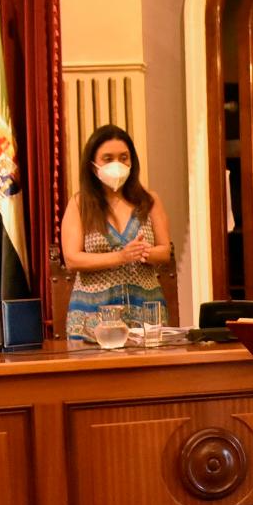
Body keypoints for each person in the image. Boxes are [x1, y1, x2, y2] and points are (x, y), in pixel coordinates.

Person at [61, 124, 171, 343]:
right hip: (92, 315)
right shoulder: (79, 204)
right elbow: (72, 258)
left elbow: (165, 251)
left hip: (145, 311)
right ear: (93, 166)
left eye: (124, 158)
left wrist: (142, 252)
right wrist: (121, 256)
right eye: (108, 159)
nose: (117, 165)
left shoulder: (149, 200)